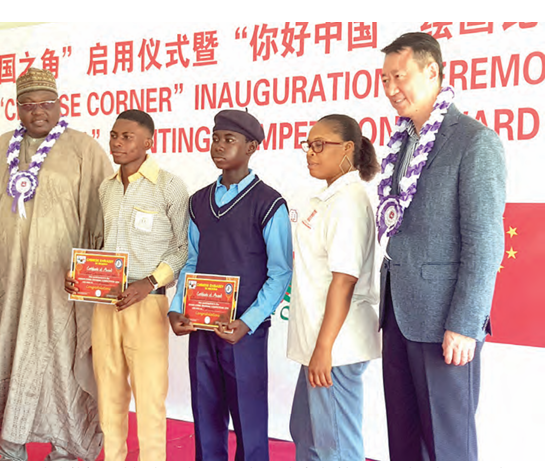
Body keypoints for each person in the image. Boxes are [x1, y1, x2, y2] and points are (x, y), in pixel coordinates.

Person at [0, 67, 114, 461]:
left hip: (60, 284)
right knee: (7, 352)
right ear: (17, 108)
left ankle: (67, 444)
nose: (38, 112)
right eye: (29, 105)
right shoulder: (3, 144)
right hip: (9, 280)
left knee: (61, 360)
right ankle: (11, 443)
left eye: (46, 104)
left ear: (60, 105)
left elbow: (100, 215)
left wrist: (96, 273)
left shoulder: (83, 148)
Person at [377, 32, 506, 461]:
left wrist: (466, 324)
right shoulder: (400, 144)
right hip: (398, 316)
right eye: (385, 79)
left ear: (432, 71)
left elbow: (485, 242)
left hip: (444, 322)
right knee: (404, 439)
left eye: (400, 76)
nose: (391, 89)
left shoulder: (474, 141)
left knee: (447, 445)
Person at [167, 109, 293, 461]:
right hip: (202, 327)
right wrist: (177, 308)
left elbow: (281, 271)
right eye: (216, 138)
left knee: (249, 419)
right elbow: (192, 261)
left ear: (252, 147)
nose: (219, 146)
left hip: (243, 332)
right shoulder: (198, 201)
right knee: (205, 416)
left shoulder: (269, 203)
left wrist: (248, 322)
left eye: (229, 140)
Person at [65, 109, 189, 461]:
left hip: (147, 302)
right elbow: (97, 245)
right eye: (114, 136)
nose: (117, 143)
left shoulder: (169, 186)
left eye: (127, 137)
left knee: (150, 395)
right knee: (109, 391)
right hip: (105, 303)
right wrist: (81, 275)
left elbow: (182, 248)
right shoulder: (105, 188)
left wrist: (149, 283)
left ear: (149, 142)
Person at [287, 114, 381, 461]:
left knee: (335, 447)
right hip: (318, 342)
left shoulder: (349, 201)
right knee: (307, 433)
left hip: (335, 347)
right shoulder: (327, 198)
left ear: (347, 149)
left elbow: (344, 279)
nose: (310, 153)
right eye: (308, 145)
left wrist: (324, 349)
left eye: (319, 145)